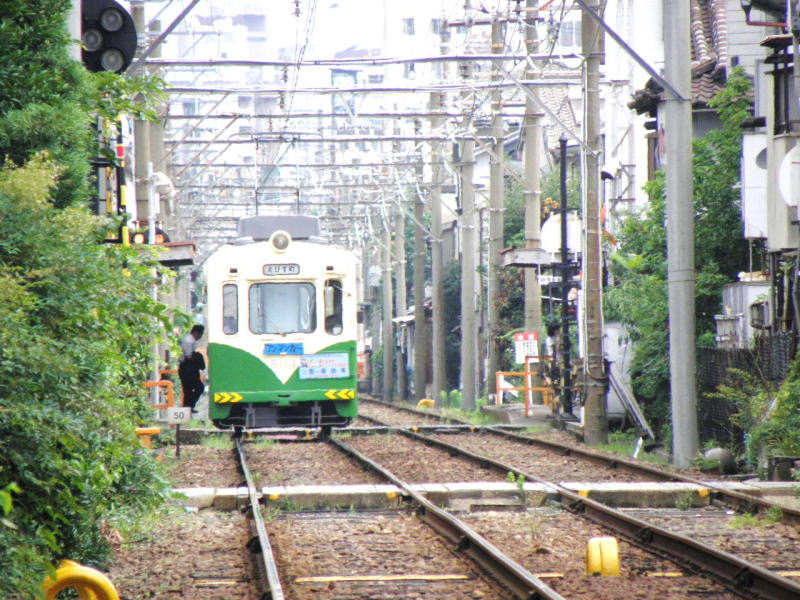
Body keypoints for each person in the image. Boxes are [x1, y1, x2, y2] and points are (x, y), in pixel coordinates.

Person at [178, 324, 205, 413]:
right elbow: (189, 356)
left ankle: (188, 407)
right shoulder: (189, 341)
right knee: (197, 387)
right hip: (187, 368)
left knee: (189, 389)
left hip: (188, 368)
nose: (200, 336)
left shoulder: (191, 340)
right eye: (200, 334)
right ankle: (188, 406)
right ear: (196, 332)